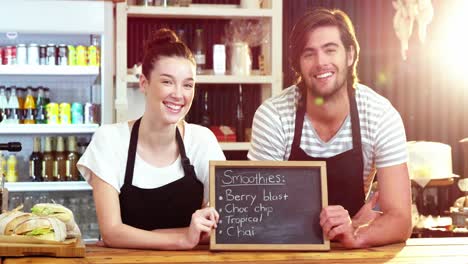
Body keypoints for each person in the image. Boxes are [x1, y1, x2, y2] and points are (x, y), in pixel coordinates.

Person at [248, 8, 412, 248]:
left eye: (330, 50)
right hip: (288, 251)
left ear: (349, 55)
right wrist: (355, 222)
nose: (320, 62)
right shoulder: (273, 117)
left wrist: (356, 234)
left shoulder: (380, 115)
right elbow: (260, 215)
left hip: (353, 253)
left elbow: (401, 220)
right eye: (309, 54)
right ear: (298, 64)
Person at [77, 28, 224, 250]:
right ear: (144, 83)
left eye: (188, 84)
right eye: (167, 82)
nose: (178, 94)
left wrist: (146, 236)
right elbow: (112, 232)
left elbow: (220, 225)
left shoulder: (202, 141)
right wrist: (184, 237)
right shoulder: (110, 140)